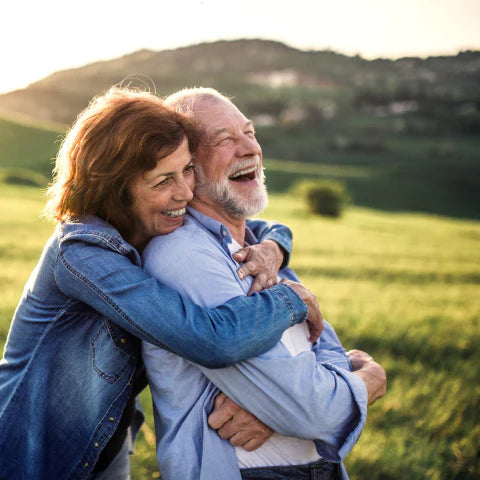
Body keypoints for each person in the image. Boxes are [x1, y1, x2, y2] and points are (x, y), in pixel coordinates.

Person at [0, 87, 325, 480]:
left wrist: (274, 247)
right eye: (162, 181)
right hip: (32, 454)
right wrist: (291, 299)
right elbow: (209, 339)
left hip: (106, 445)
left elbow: (254, 226)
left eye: (187, 169)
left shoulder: (150, 224)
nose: (186, 192)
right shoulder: (82, 255)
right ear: (116, 189)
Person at [142, 88, 387, 480]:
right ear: (188, 167)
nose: (249, 149)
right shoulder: (183, 256)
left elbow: (325, 351)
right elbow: (311, 410)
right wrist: (369, 380)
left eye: (249, 132)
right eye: (224, 140)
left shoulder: (261, 251)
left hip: (319, 467)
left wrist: (280, 411)